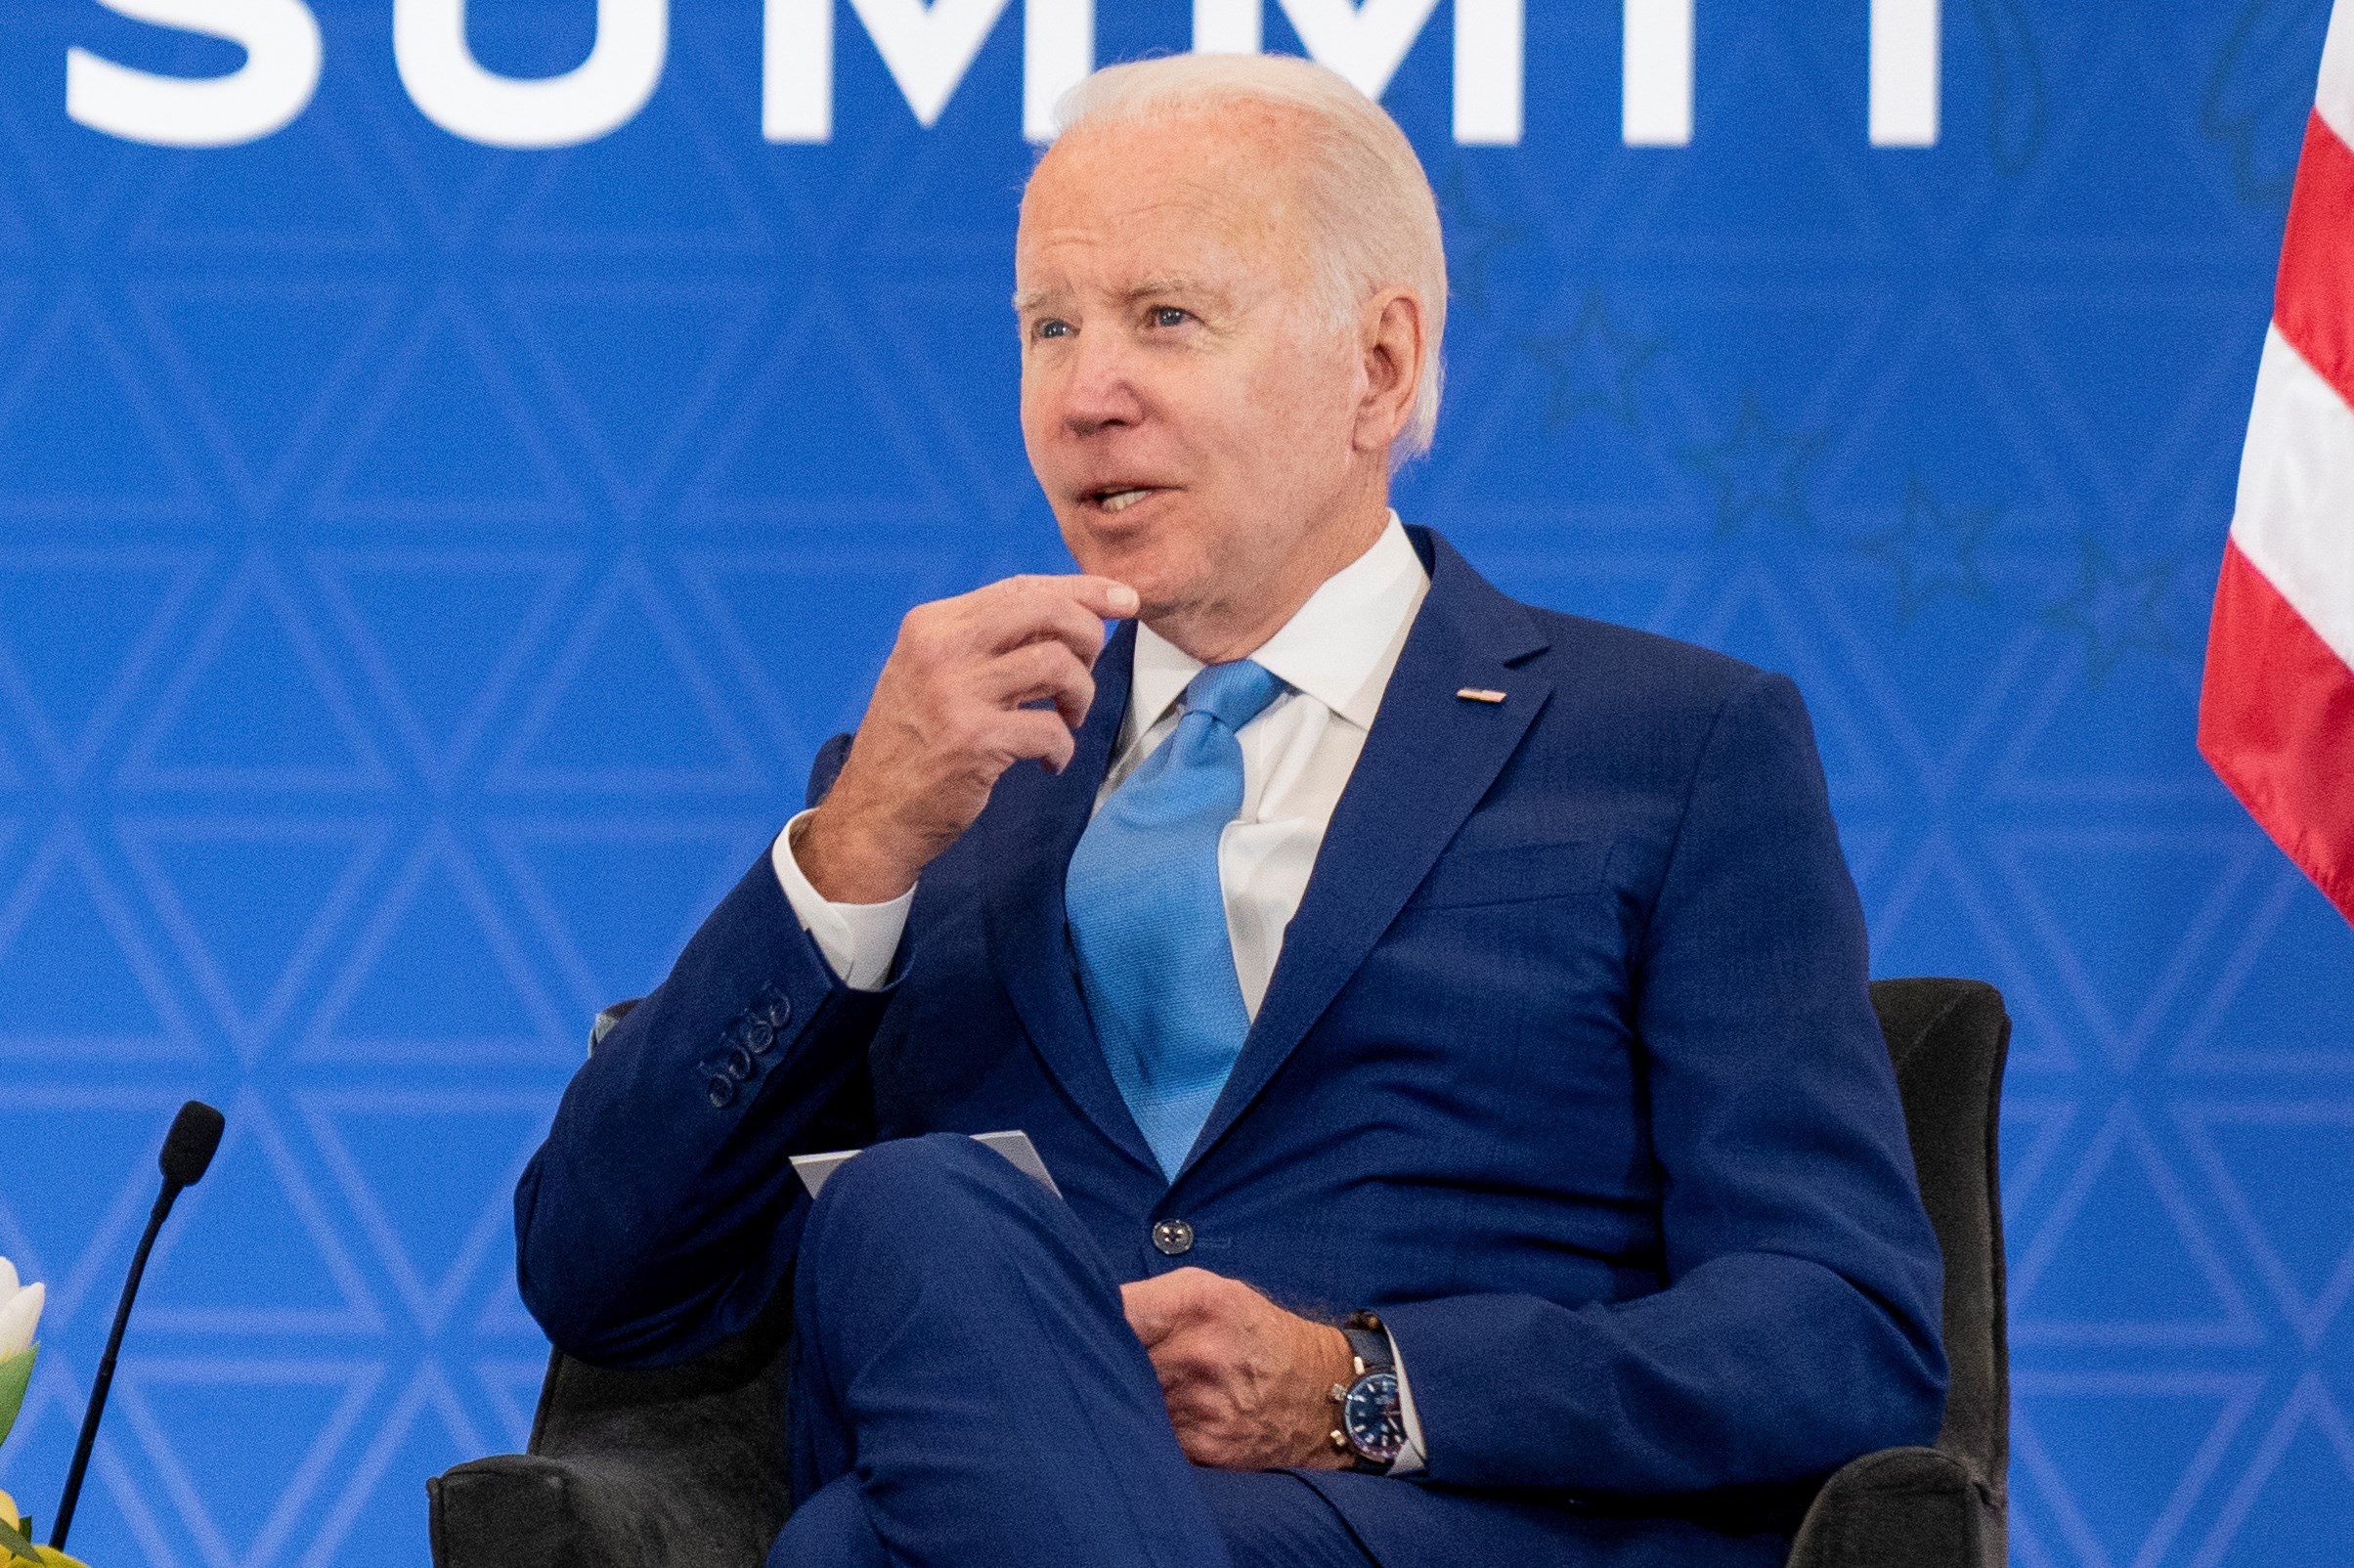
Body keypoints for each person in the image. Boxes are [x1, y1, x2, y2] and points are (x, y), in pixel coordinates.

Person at [514, 52, 1946, 1568]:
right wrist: (849, 855)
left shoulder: (1669, 745)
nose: (1085, 396)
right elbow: (603, 1280)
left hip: (1429, 1533)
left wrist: (1363, 1388)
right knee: (909, 1214)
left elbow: (1836, 1325)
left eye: (1166, 320)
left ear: (1379, 366)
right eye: (1047, 329)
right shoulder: (939, 792)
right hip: (1007, 1498)